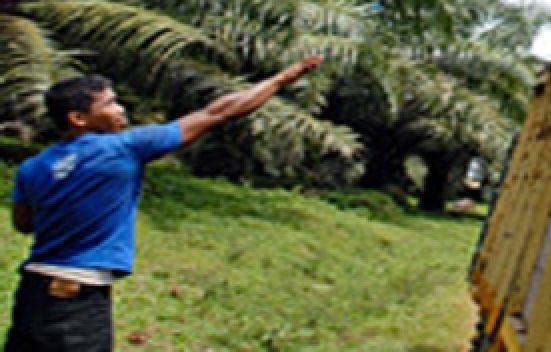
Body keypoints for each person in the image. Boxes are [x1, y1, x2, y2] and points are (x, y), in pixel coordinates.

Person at [5, 55, 323, 352]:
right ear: (78, 118)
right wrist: (282, 79)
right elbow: (221, 111)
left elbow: (24, 224)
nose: (121, 110)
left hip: (32, 293)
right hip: (78, 296)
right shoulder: (125, 147)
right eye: (110, 104)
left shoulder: (31, 168)